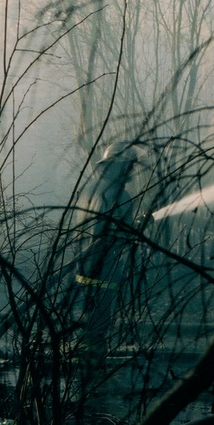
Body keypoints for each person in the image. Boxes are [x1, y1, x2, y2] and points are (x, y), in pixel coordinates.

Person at [71, 141, 150, 356]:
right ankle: (91, 365)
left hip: (83, 262)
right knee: (100, 318)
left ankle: (83, 358)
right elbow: (118, 235)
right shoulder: (120, 196)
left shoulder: (89, 190)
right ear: (121, 167)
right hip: (105, 265)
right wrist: (139, 228)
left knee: (86, 314)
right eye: (130, 167)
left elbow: (99, 226)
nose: (131, 172)